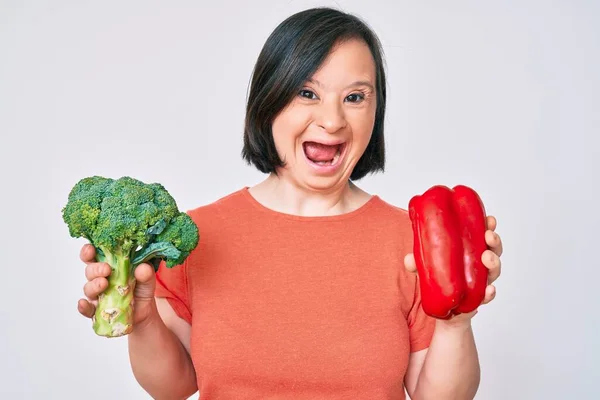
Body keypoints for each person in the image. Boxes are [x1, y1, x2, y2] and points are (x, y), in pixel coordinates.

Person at [77, 7, 503, 400]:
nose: (333, 120)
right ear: (269, 100)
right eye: (307, 92)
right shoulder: (196, 236)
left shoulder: (412, 242)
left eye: (356, 97)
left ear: (377, 110)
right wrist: (145, 318)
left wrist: (455, 324)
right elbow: (173, 388)